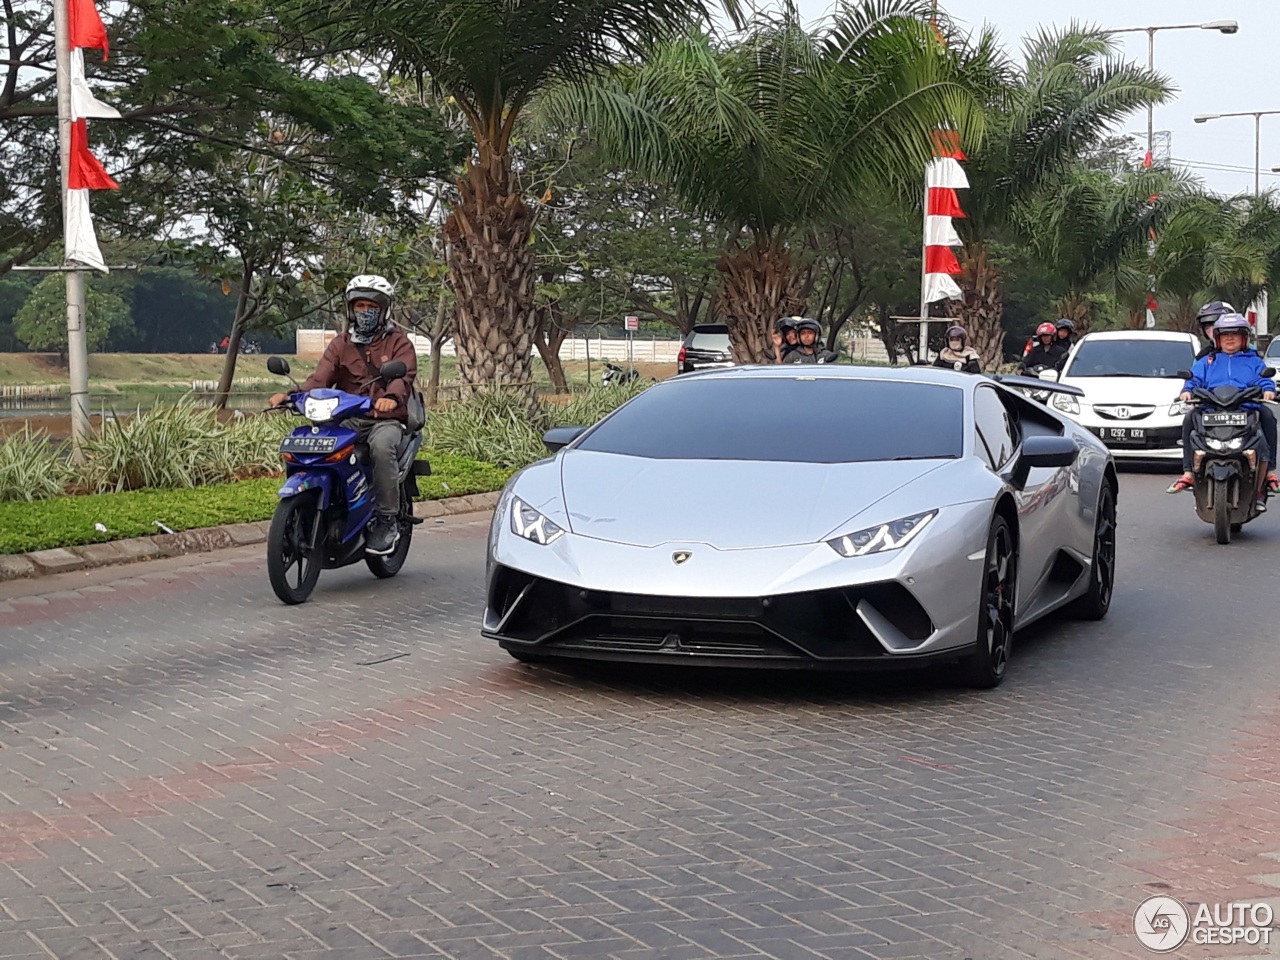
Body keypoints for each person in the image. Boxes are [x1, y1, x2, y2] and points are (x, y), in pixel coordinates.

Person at [269, 275, 418, 555]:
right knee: (317, 443)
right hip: (348, 417)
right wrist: (291, 396)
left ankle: (386, 520)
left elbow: (403, 377)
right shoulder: (341, 344)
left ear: (384, 309)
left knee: (382, 446)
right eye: (359, 306)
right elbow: (320, 379)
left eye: (371, 306)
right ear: (351, 309)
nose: (365, 312)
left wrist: (389, 398)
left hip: (383, 420)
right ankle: (328, 503)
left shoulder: (400, 344)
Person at [1167, 314, 1278, 510]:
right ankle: (1188, 473)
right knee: (1189, 419)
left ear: (1244, 338)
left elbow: (1264, 380)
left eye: (1235, 334)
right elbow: (1194, 380)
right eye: (1225, 335)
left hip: (1245, 409)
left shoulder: (1254, 361)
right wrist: (1186, 391)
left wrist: (1268, 390)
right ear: (1217, 339)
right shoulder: (1207, 361)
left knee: (1267, 418)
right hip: (1211, 409)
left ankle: (1267, 476)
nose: (1229, 338)